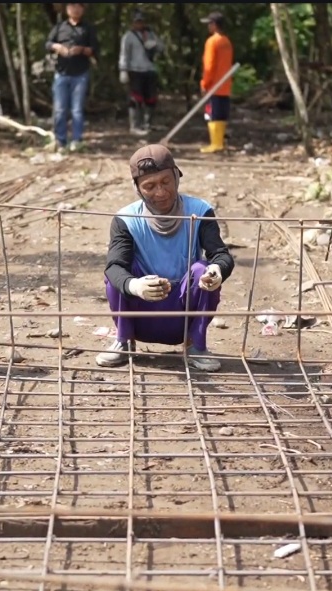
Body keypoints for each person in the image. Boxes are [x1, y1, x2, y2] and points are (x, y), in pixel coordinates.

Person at [99, 144, 235, 372]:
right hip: (143, 309)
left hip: (183, 310)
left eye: (165, 182)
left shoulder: (199, 211)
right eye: (149, 186)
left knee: (203, 268)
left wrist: (217, 271)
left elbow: (220, 254)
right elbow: (114, 267)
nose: (160, 192)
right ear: (138, 189)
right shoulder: (126, 219)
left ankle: (197, 346)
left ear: (176, 177)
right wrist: (135, 285)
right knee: (118, 274)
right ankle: (123, 341)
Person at [45, 3, 99, 153]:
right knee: (60, 109)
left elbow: (94, 49)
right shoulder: (59, 27)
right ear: (67, 9)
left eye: (78, 6)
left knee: (76, 110)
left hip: (80, 74)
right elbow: (48, 43)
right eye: (72, 6)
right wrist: (57, 47)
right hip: (61, 73)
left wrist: (81, 50)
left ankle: (77, 140)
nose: (75, 9)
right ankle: (60, 141)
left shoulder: (87, 28)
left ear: (83, 9)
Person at [118, 9, 162, 136]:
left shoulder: (151, 34)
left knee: (151, 98)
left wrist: (155, 44)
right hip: (135, 71)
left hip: (150, 69)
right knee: (135, 99)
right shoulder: (128, 36)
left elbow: (162, 47)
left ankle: (148, 124)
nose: (139, 24)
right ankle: (135, 125)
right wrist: (123, 70)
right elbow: (124, 54)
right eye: (137, 21)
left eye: (141, 21)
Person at [199, 11, 233, 154]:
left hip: (214, 85)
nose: (208, 26)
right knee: (221, 114)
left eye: (209, 23)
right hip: (225, 85)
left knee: (212, 114)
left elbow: (209, 65)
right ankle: (219, 142)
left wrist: (204, 83)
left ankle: (215, 144)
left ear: (214, 25)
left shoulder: (212, 41)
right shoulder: (226, 41)